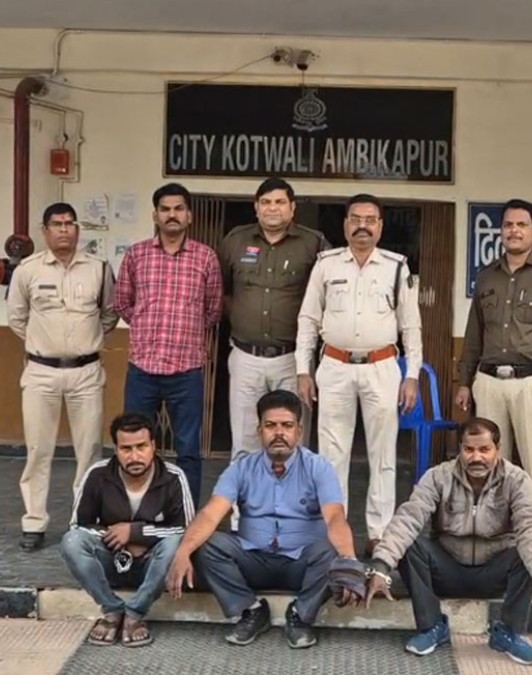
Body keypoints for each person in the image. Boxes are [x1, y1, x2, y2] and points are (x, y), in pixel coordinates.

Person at [363, 417, 532, 666]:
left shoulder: (516, 480)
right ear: (460, 448)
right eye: (469, 449)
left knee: (526, 550)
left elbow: (530, 528)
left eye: (484, 449)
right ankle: (432, 627)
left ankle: (508, 633)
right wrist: (381, 567)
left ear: (497, 449)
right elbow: (409, 518)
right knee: (412, 546)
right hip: (447, 568)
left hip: (494, 572)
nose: (476, 457)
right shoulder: (438, 476)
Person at [165, 390, 360, 649]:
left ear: (299, 431)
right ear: (260, 431)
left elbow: (335, 516)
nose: (279, 433)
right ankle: (252, 609)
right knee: (207, 544)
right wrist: (183, 551)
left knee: (332, 551)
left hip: (302, 566)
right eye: (270, 425)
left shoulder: (318, 467)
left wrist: (349, 560)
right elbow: (211, 513)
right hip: (253, 561)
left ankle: (301, 616)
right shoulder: (241, 468)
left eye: (287, 425)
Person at [295, 193, 423, 555]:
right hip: (334, 367)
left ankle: (379, 533)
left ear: (380, 226)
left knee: (383, 454)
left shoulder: (396, 267)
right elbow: (308, 320)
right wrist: (303, 370)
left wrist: (412, 374)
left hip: (382, 367)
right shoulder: (326, 264)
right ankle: (336, 532)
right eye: (355, 219)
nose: (362, 226)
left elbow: (411, 326)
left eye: (370, 220)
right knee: (332, 455)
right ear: (345, 224)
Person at [455, 198, 532, 535]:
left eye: (522, 225)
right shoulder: (486, 276)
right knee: (491, 464)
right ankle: (497, 536)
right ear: (500, 231)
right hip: (489, 382)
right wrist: (464, 381)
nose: (514, 231)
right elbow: (474, 334)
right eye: (508, 225)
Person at [6, 202, 118, 551]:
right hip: (41, 372)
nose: (65, 229)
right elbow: (17, 318)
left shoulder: (99, 269)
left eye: (70, 223)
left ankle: (82, 520)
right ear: (45, 230)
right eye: (57, 224)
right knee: (38, 450)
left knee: (89, 451)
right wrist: (46, 345)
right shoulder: (27, 270)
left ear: (78, 229)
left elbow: (109, 314)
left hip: (86, 372)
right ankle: (34, 522)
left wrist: (82, 343)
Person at [115, 182, 222, 505]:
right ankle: (136, 507)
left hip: (186, 371)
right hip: (143, 370)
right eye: (165, 209)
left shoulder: (206, 257)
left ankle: (184, 512)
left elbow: (213, 310)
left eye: (178, 209)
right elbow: (123, 303)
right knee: (135, 444)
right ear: (155, 215)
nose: (171, 215)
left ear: (189, 215)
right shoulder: (136, 255)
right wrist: (148, 326)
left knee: (188, 449)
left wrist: (185, 333)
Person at [217, 177, 329, 464]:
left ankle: (291, 493)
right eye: (265, 202)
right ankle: (246, 495)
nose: (272, 208)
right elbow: (221, 290)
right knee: (245, 440)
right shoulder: (235, 240)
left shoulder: (313, 243)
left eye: (280, 202)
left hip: (293, 359)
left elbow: (328, 295)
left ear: (292, 207)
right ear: (256, 207)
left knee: (292, 439)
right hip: (245, 356)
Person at [60, 413, 195, 647]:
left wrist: (135, 533)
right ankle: (112, 610)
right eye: (126, 449)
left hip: (152, 564)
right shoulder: (97, 474)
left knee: (176, 544)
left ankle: (134, 614)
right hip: (110, 560)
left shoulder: (173, 477)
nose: (134, 456)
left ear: (153, 445)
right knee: (71, 541)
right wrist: (117, 539)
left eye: (141, 447)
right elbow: (78, 525)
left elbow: (185, 529)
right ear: (116, 449)